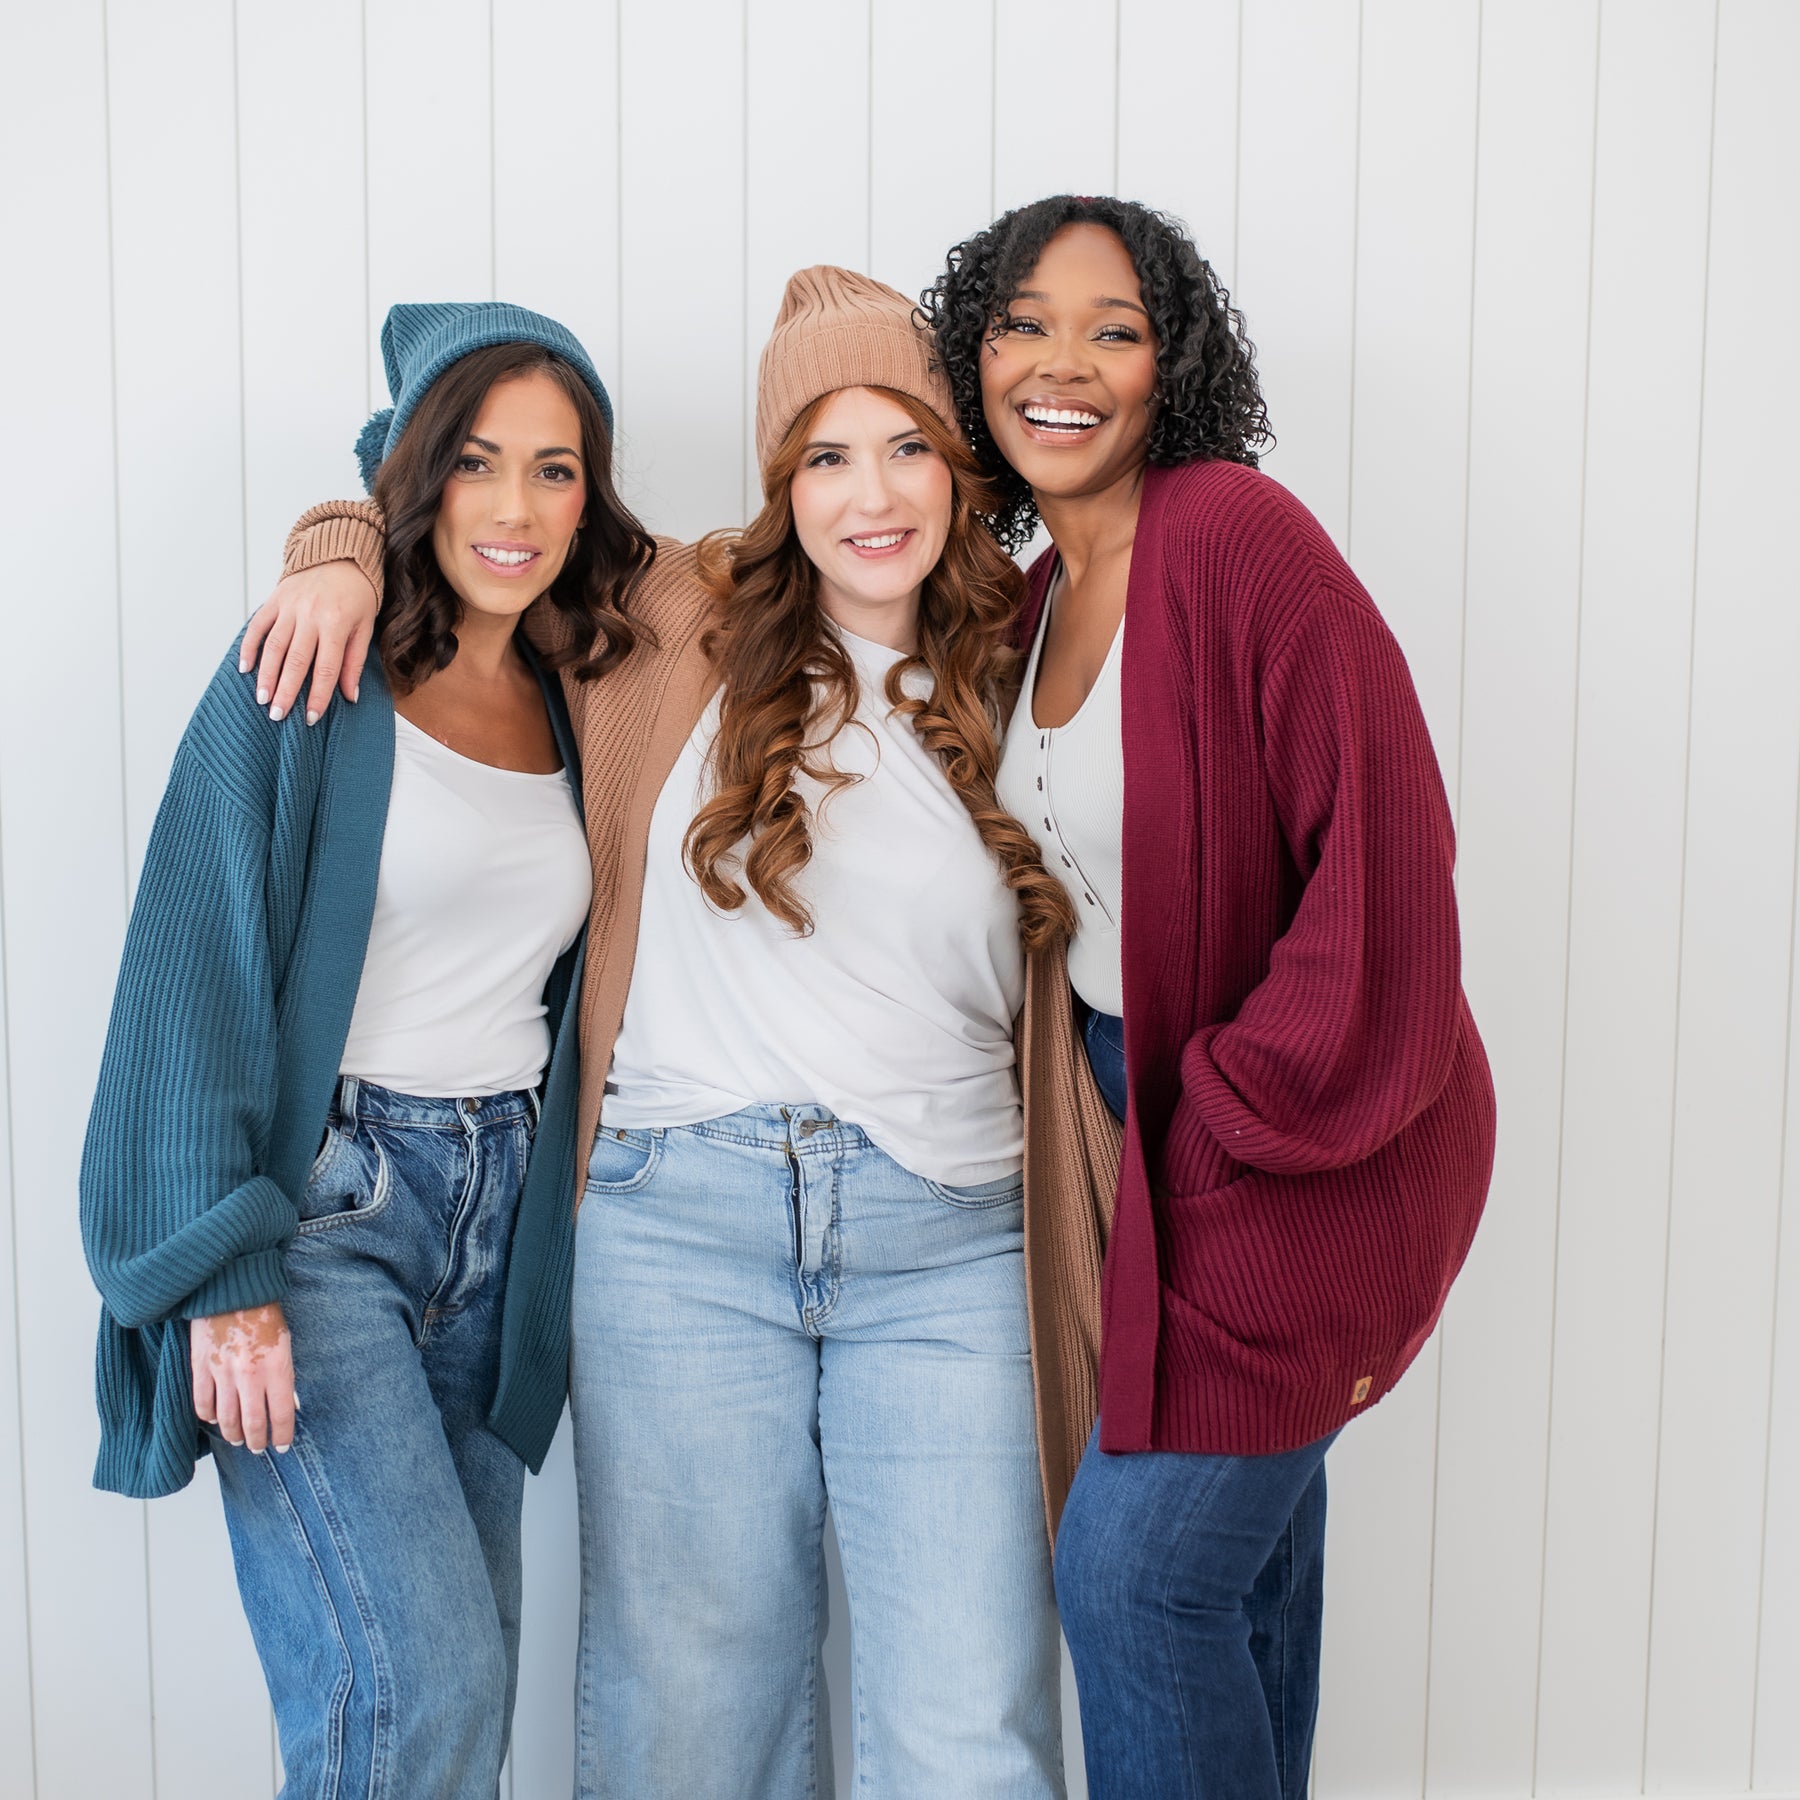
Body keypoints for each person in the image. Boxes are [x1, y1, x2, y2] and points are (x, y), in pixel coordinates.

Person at [243, 269, 1088, 1799]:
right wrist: (334, 549)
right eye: (825, 456)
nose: (870, 494)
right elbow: (471, 496)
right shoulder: (672, 617)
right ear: (782, 485)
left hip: (953, 1238)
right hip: (673, 1225)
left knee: (973, 1725)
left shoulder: (1031, 657)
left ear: (960, 472)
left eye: (905, 447)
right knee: (687, 1723)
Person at [921, 195, 1498, 1800]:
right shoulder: (1027, 607)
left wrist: (1227, 1114)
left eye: (1116, 330)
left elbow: (1387, 857)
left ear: (1170, 369)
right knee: (1237, 1584)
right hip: (1145, 1147)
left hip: (1313, 1132)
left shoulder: (1235, 537)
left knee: (1135, 1581)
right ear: (977, 357)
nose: (1064, 365)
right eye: (1026, 323)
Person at [80, 301, 654, 1797]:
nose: (516, 509)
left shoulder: (583, 688)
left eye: (556, 469)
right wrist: (222, 1280)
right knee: (414, 1696)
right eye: (473, 463)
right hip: (323, 1217)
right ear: (416, 472)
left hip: (502, 1220)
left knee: (450, 1704)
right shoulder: (310, 670)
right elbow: (189, 968)